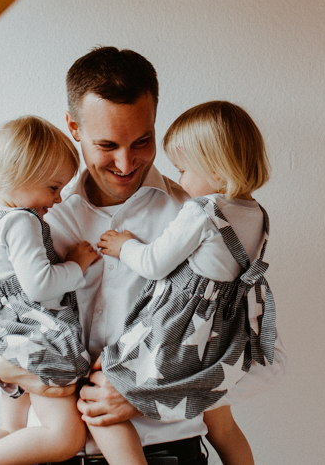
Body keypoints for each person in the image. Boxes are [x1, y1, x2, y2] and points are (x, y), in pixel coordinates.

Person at [0, 47, 285, 465]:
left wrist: (148, 392)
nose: (125, 162)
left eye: (142, 141)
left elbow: (262, 360)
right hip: (47, 453)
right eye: (107, 145)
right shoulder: (32, 217)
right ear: (73, 128)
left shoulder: (200, 220)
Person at [95, 101, 277, 465]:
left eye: (183, 169)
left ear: (216, 167)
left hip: (180, 325)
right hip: (223, 331)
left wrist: (123, 245)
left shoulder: (201, 211)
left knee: (105, 375)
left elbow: (153, 263)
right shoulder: (258, 214)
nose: (179, 180)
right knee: (223, 424)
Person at [0, 116, 99, 465]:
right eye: (53, 187)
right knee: (64, 437)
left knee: (13, 431)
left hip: (4, 336)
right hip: (34, 337)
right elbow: (39, 286)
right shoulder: (21, 221)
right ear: (19, 174)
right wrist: (77, 265)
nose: (57, 199)